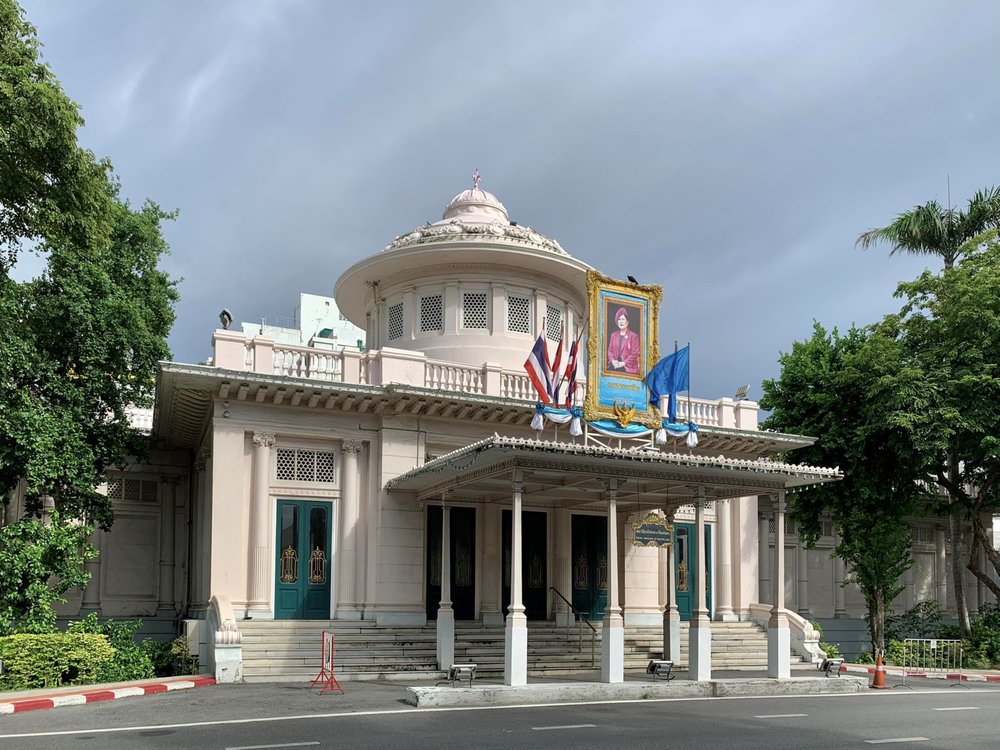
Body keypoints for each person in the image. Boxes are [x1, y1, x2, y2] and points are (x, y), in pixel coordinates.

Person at [607, 307, 640, 374]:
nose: (621, 321)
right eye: (619, 319)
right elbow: (610, 352)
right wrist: (613, 361)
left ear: (627, 322)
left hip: (628, 367)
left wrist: (623, 363)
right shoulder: (613, 335)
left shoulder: (633, 336)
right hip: (615, 365)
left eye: (623, 319)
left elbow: (634, 354)